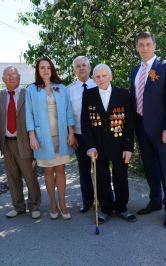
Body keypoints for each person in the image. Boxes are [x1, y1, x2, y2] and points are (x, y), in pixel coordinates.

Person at [130, 32, 166, 228]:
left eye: (148, 44)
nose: (144, 48)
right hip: (141, 126)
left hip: (161, 129)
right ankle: (155, 200)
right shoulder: (135, 71)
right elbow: (134, 98)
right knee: (150, 167)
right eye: (141, 44)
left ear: (154, 45)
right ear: (136, 47)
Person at [81, 63, 136, 224]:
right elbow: (86, 124)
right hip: (98, 147)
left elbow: (129, 123)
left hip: (119, 146)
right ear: (93, 78)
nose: (101, 79)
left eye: (104, 76)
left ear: (110, 76)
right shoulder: (88, 95)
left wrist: (128, 147)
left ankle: (121, 208)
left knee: (121, 178)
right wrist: (90, 146)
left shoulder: (123, 94)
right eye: (97, 76)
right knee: (101, 179)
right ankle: (105, 209)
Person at [25, 57, 75, 220]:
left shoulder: (61, 88)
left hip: (60, 135)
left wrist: (71, 132)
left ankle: (62, 203)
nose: (46, 70)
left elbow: (68, 111)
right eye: (42, 68)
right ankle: (52, 204)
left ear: (52, 69)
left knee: (60, 169)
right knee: (48, 170)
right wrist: (32, 136)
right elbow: (29, 114)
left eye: (48, 67)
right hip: (42, 136)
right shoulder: (32, 90)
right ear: (38, 71)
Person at [66, 56, 113, 213]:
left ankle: (107, 199)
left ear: (90, 67)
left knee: (101, 169)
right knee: (84, 170)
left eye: (84, 65)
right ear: (74, 69)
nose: (82, 68)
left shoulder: (99, 84)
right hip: (79, 135)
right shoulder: (69, 90)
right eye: (78, 66)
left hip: (98, 135)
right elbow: (68, 115)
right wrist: (71, 134)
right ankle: (87, 201)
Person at [0, 66, 42, 219]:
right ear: (3, 79)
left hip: (24, 141)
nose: (11, 77)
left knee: (30, 175)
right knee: (12, 177)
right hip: (7, 143)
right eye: (7, 75)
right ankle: (18, 206)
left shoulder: (27, 93)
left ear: (19, 76)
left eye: (14, 74)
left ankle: (34, 206)